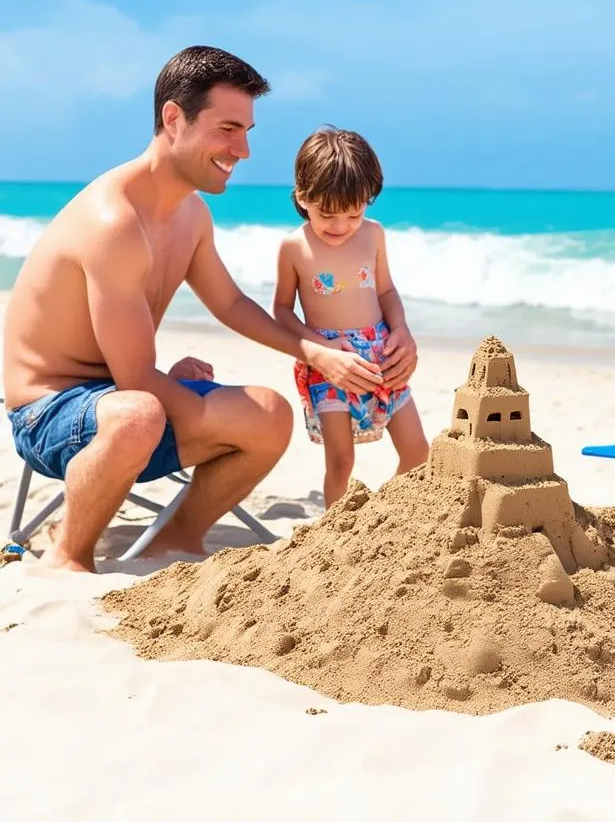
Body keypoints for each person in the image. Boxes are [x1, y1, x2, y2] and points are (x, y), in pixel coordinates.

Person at [2, 46, 414, 572]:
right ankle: (68, 556)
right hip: (49, 411)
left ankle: (174, 541)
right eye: (227, 128)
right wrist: (184, 401)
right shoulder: (114, 223)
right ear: (174, 119)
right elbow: (133, 379)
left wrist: (316, 351)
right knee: (140, 415)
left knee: (269, 414)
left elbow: (231, 303)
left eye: (247, 131)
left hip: (119, 398)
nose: (242, 149)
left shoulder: (190, 214)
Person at [273, 126, 429, 507]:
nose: (340, 226)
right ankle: (336, 532)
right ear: (302, 196)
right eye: (327, 214)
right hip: (329, 362)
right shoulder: (294, 247)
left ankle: (381, 516)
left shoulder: (374, 235)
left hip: (381, 356)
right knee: (341, 460)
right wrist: (321, 347)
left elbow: (386, 291)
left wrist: (402, 329)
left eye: (353, 214)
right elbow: (280, 310)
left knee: (418, 451)